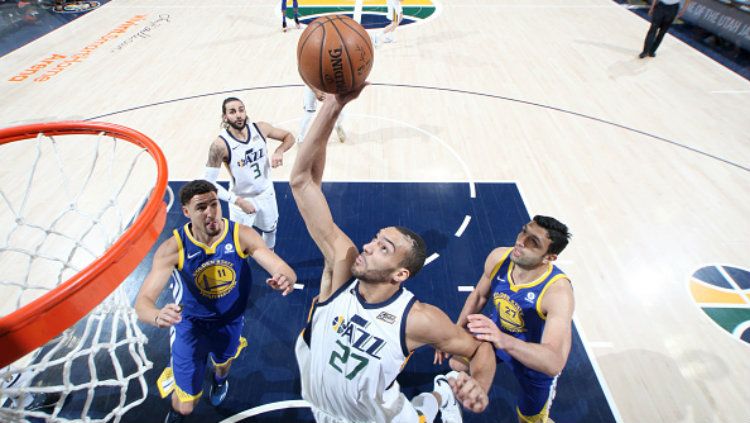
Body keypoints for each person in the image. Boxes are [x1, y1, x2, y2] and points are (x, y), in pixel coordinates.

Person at [289, 84, 496, 423]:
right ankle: (442, 392)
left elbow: (478, 349)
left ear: (400, 274)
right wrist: (332, 107)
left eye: (383, 248)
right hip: (323, 411)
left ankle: (444, 392)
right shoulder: (342, 270)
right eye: (375, 239)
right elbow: (302, 182)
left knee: (418, 414)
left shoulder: (418, 318)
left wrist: (479, 384)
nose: (368, 246)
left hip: (377, 419)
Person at [134, 180, 297, 423]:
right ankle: (177, 413)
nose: (210, 212)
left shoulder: (241, 235)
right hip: (190, 327)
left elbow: (281, 267)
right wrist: (157, 316)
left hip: (230, 321)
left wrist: (286, 278)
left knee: (223, 365)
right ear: (186, 212)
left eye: (214, 204)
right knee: (187, 406)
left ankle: (219, 382)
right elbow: (142, 303)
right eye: (201, 208)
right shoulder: (173, 248)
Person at [436, 216, 574, 423]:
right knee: (457, 363)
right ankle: (453, 399)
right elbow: (479, 296)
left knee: (530, 420)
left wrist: (503, 339)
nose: (521, 241)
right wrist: (455, 332)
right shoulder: (500, 257)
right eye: (524, 231)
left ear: (549, 258)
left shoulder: (557, 292)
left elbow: (553, 362)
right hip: (496, 333)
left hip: (533, 357)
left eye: (533, 242)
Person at [204, 97, 295, 250]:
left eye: (241, 110)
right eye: (232, 112)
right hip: (241, 199)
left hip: (266, 194)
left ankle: (269, 256)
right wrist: (237, 201)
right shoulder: (220, 145)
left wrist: (279, 151)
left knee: (270, 230)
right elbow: (208, 183)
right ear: (225, 117)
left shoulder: (261, 128)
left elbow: (289, 137)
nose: (238, 115)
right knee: (239, 242)